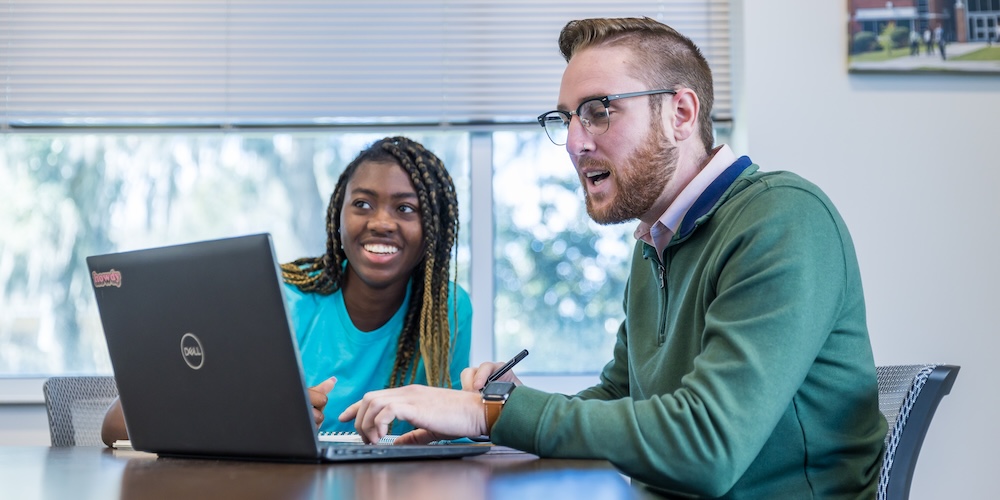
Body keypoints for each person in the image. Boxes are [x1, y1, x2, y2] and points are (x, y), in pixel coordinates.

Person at [340, 17, 886, 499]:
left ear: (680, 113)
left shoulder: (782, 217)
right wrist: (504, 408)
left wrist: (488, 413)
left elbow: (707, 446)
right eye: (567, 119)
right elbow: (619, 396)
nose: (574, 142)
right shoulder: (656, 244)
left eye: (599, 111)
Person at [100, 136, 472, 445]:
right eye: (362, 204)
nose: (381, 222)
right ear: (338, 217)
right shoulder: (280, 296)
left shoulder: (448, 309)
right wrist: (257, 418)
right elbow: (116, 425)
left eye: (405, 208)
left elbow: (458, 438)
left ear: (433, 229)